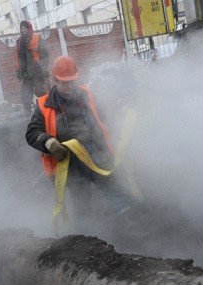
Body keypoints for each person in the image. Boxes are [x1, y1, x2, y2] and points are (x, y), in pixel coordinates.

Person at [25, 55, 131, 222]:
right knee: (82, 206)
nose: (68, 86)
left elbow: (103, 117)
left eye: (71, 81)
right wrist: (50, 143)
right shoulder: (45, 105)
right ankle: (86, 238)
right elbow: (31, 133)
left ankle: (131, 223)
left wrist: (120, 113)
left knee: (115, 192)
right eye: (63, 82)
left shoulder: (86, 95)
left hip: (96, 154)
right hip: (71, 163)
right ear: (55, 79)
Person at [15, 20, 50, 115]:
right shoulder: (19, 41)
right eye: (22, 28)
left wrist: (43, 68)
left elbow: (45, 55)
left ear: (29, 28)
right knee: (25, 94)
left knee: (41, 92)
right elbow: (18, 57)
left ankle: (47, 110)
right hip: (25, 73)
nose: (24, 30)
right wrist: (18, 70)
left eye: (25, 28)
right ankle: (27, 115)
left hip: (36, 71)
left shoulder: (37, 38)